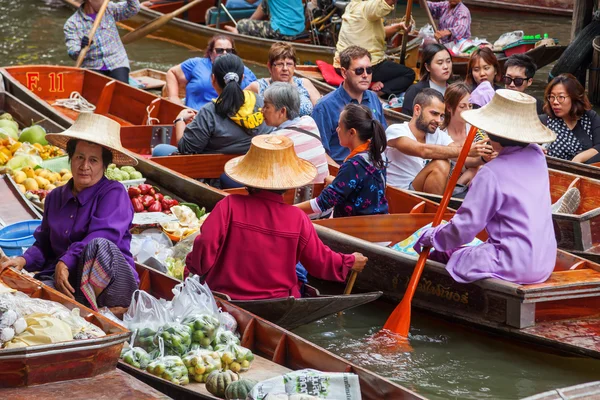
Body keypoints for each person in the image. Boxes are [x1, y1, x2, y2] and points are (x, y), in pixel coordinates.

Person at [185, 134, 368, 300]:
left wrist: (193, 268)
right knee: (300, 274)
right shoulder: (297, 218)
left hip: (225, 295)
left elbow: (205, 245)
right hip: (278, 301)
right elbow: (320, 262)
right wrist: (350, 261)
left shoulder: (229, 205)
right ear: (287, 184)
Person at [414, 89, 557, 284]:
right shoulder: (537, 155)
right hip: (545, 261)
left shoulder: (491, 173)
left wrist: (432, 236)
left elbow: (464, 229)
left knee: (449, 254)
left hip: (511, 264)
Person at [0, 114, 139, 312]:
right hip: (69, 283)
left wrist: (66, 261)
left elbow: (104, 235)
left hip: (113, 286)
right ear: (70, 158)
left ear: (104, 166)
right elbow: (44, 244)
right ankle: (79, 307)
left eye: (93, 160)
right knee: (22, 301)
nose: (85, 166)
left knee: (98, 245)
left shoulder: (114, 193)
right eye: (79, 157)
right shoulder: (56, 197)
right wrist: (23, 260)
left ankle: (94, 309)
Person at [153, 54, 271, 157]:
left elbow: (186, 150)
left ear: (213, 79)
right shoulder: (260, 101)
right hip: (250, 164)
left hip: (214, 172)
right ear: (242, 78)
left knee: (159, 149)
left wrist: (179, 120)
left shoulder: (209, 112)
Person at [385, 88, 492, 194]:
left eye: (441, 116)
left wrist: (484, 158)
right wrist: (466, 150)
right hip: (398, 194)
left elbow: (462, 158)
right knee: (441, 163)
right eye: (434, 114)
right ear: (417, 110)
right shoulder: (396, 130)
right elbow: (423, 151)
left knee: (477, 170)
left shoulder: (438, 135)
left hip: (421, 193)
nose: (439, 121)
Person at [296, 103, 389, 217]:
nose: (337, 129)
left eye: (340, 126)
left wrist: (291, 210)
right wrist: (336, 182)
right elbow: (361, 184)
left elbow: (324, 202)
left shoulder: (354, 165)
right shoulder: (377, 154)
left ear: (351, 132)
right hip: (376, 221)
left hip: (354, 227)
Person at [312, 46, 387, 165]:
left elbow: (383, 137)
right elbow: (318, 151)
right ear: (344, 72)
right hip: (342, 172)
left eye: (369, 70)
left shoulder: (373, 98)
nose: (365, 75)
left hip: (372, 170)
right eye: (359, 71)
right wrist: (341, 175)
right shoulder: (324, 107)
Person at [333, 0, 416, 97]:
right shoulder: (368, 7)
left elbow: (378, 32)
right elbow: (387, 2)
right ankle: (376, 94)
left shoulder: (352, 5)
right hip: (362, 67)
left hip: (340, 64)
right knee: (409, 74)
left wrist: (398, 27)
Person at [262, 82, 330, 184]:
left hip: (294, 197)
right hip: (321, 193)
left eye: (266, 107)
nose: (262, 110)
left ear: (282, 111)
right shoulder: (309, 122)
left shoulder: (274, 139)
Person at [166, 35, 256, 110]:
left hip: (230, 122)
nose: (225, 53)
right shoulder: (196, 64)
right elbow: (172, 73)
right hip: (194, 118)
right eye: (219, 50)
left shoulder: (244, 71)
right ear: (210, 53)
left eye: (228, 51)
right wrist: (173, 98)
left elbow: (258, 91)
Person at [64, 0, 140, 83]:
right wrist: (81, 48)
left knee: (121, 89)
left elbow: (133, 8)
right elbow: (72, 53)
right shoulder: (72, 23)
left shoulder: (110, 8)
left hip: (117, 62)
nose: (105, 1)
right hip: (92, 66)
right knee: (96, 92)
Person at [440, 82, 493, 185]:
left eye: (470, 105)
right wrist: (482, 158)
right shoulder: (440, 133)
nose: (468, 110)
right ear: (449, 108)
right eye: (462, 106)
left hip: (471, 179)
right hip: (445, 183)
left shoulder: (476, 130)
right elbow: (465, 160)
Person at [247, 42, 321, 117]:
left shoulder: (304, 83)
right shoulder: (257, 87)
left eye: (289, 64)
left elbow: (320, 111)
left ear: (294, 66)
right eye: (280, 64)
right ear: (269, 67)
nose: (285, 68)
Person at [541, 73, 600, 164]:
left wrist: (578, 159)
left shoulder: (590, 117)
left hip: (587, 170)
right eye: (552, 97)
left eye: (561, 97)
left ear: (574, 98)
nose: (555, 102)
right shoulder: (543, 122)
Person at [402, 43, 453, 116]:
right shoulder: (416, 91)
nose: (445, 66)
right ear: (427, 67)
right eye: (440, 63)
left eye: (448, 61)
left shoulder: (454, 90)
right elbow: (406, 121)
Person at [225, 0, 305, 41]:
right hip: (299, 28)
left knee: (241, 24)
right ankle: (249, 26)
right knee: (265, 2)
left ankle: (239, 31)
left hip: (283, 30)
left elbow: (250, 1)